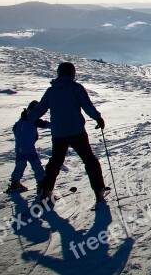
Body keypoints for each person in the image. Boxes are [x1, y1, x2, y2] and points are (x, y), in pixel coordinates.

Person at [28, 62, 109, 205]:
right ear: (72, 73)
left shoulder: (51, 91)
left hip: (58, 133)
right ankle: (99, 191)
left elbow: (40, 108)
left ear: (59, 74)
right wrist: (98, 118)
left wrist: (28, 117)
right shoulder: (76, 88)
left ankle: (46, 193)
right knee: (89, 160)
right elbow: (87, 106)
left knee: (55, 162)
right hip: (76, 131)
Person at [7, 100, 50, 193]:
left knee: (19, 166)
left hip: (19, 149)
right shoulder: (33, 120)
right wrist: (59, 125)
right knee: (37, 166)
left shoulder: (20, 121)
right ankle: (41, 185)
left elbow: (15, 129)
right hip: (29, 149)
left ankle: (15, 183)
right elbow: (45, 124)